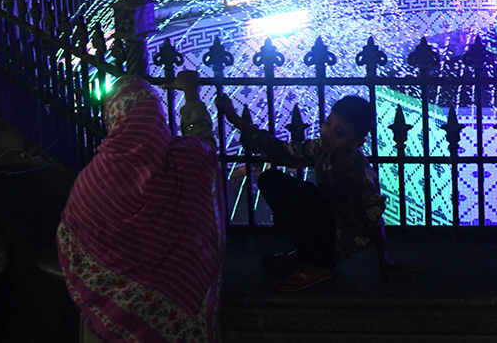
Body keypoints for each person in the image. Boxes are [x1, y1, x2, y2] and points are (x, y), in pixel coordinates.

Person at [58, 70, 222, 343]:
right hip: (179, 305)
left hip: (111, 321)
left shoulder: (96, 176)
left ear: (115, 118)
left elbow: (69, 236)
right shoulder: (187, 159)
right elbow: (205, 143)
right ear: (157, 119)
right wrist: (191, 94)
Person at [215, 93, 414, 292]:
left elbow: (373, 219)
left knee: (303, 201)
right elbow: (281, 150)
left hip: (339, 238)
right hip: (326, 221)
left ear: (356, 143)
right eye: (328, 124)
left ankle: (320, 264)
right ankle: (306, 253)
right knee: (271, 180)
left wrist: (384, 262)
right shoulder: (322, 150)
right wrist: (235, 119)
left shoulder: (358, 173)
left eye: (338, 132)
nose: (326, 133)